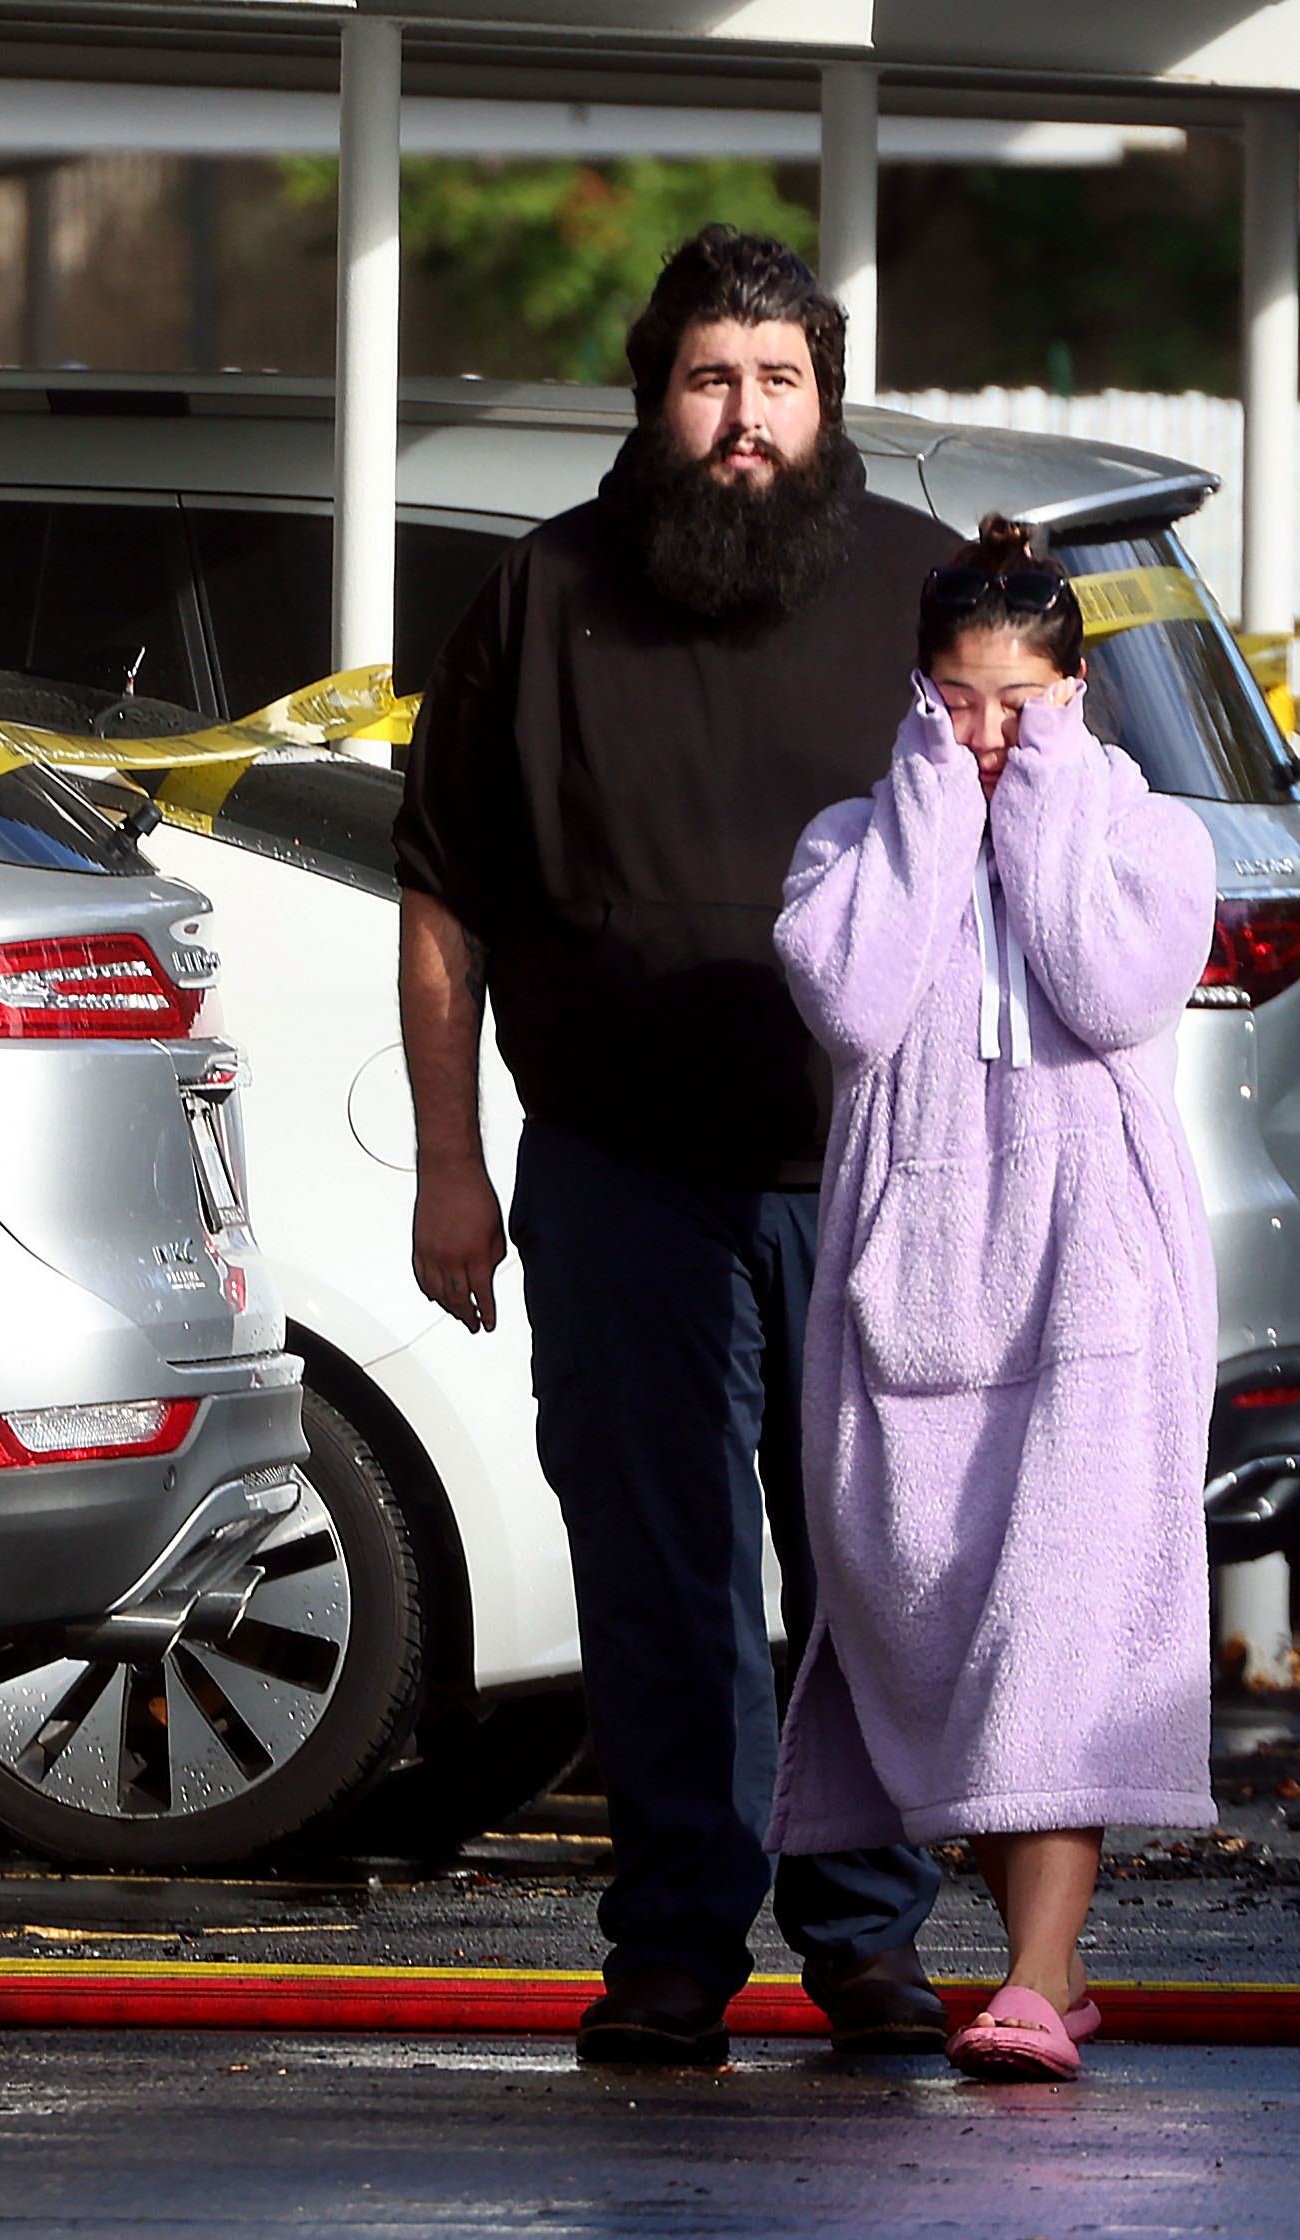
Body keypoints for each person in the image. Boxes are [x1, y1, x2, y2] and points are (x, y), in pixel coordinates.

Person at [394, 226, 953, 2067]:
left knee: (860, 1561)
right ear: (655, 398)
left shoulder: (923, 597)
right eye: (712, 378)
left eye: (778, 380)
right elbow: (443, 908)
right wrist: (451, 1166)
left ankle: (867, 1936)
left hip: (868, 1173)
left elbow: (1026, 893)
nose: (744, 417)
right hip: (619, 1168)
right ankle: (674, 1947)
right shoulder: (542, 597)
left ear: (825, 398)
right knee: (662, 1575)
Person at [769, 519, 1219, 2082]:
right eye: (957, 702)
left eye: (1020, 705)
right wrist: (928, 815)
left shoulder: (1152, 838)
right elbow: (853, 996)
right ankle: (1058, 1962)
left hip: (1095, 1275)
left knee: (1068, 1623)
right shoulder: (850, 841)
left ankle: (1029, 1977)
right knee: (945, 1619)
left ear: (1079, 694)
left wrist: (1038, 805)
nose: (986, 737)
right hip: (913, 1286)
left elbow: (1105, 987)